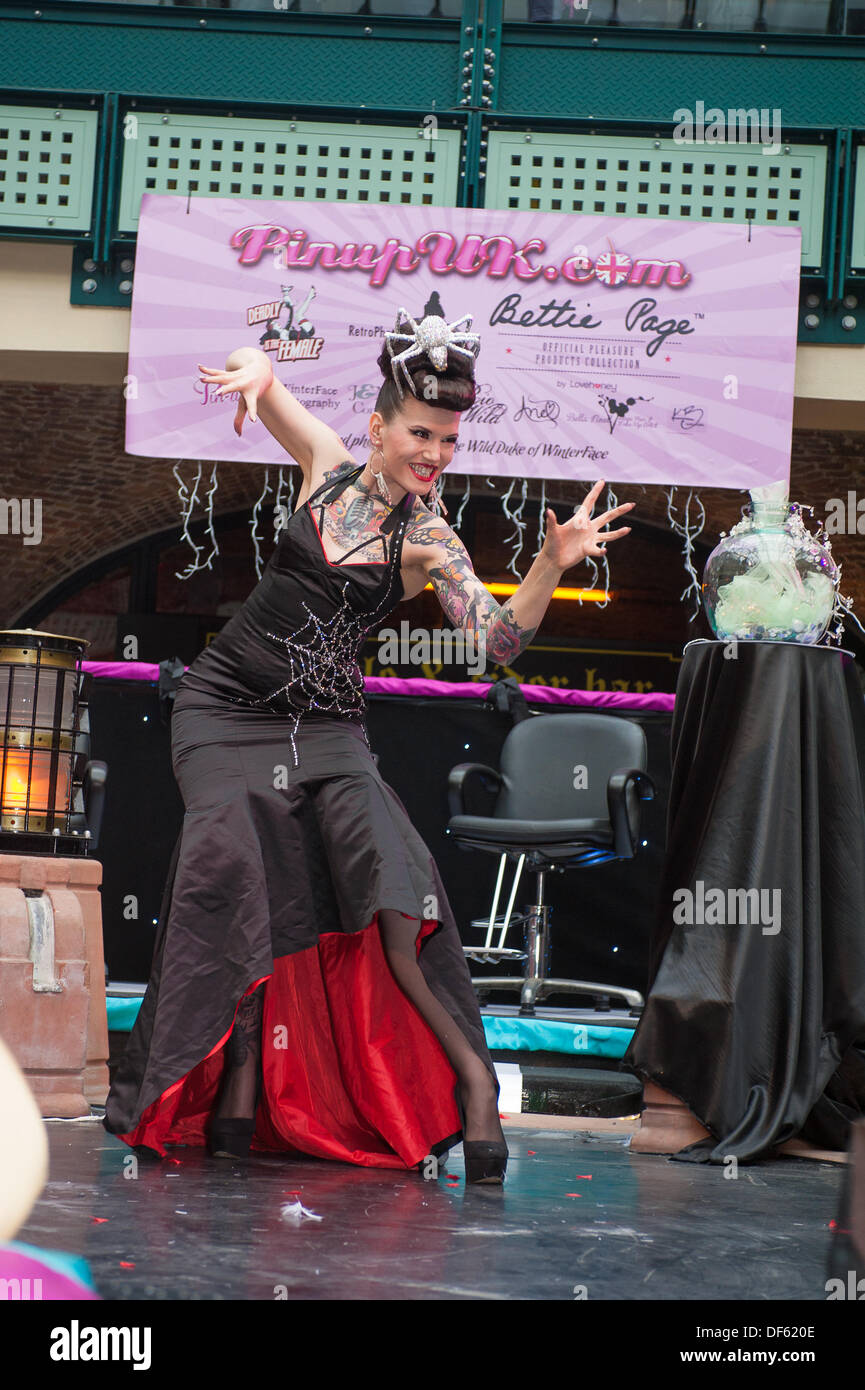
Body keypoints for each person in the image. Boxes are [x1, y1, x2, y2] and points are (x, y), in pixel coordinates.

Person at [102, 307, 634, 1185]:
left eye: (450, 441)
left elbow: (496, 645)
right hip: (224, 710)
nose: (434, 453)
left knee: (392, 885)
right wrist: (246, 370)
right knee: (232, 874)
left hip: (330, 732)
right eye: (421, 433)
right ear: (380, 426)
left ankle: (470, 1082)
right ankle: (236, 1076)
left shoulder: (430, 541)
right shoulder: (324, 467)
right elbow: (263, 375)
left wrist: (546, 567)